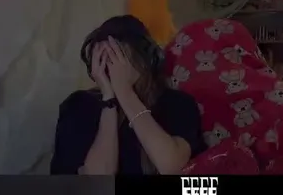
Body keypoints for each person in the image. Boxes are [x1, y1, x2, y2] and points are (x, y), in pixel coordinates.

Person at [51, 15, 205, 175]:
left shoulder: (177, 103)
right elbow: (97, 178)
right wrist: (109, 100)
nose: (110, 67)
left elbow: (170, 166)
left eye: (117, 57)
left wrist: (125, 92)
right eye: (102, 58)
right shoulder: (79, 105)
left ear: (145, 60)